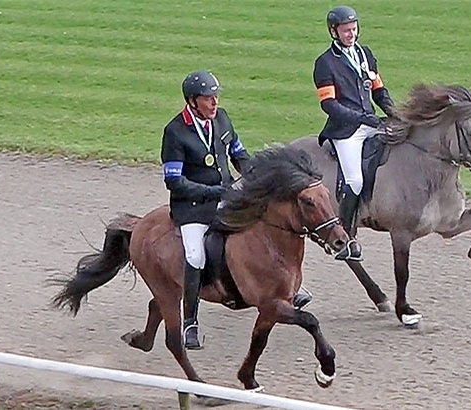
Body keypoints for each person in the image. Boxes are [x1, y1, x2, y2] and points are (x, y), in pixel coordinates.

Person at [161, 71, 311, 350]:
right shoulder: (175, 132)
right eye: (208, 99)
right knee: (195, 255)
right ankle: (190, 322)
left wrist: (259, 178)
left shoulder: (222, 118)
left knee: (265, 228)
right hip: (193, 207)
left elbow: (239, 155)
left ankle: (289, 287)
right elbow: (174, 181)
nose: (214, 103)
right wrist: (214, 192)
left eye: (216, 97)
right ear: (192, 102)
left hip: (227, 195)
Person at [313, 6, 398, 261]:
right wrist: (361, 118)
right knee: (355, 181)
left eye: (354, 29)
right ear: (334, 32)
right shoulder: (325, 63)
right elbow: (329, 104)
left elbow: (378, 91)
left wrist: (395, 114)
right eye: (346, 30)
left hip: (371, 122)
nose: (351, 34)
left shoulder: (365, 54)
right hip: (345, 130)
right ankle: (347, 236)